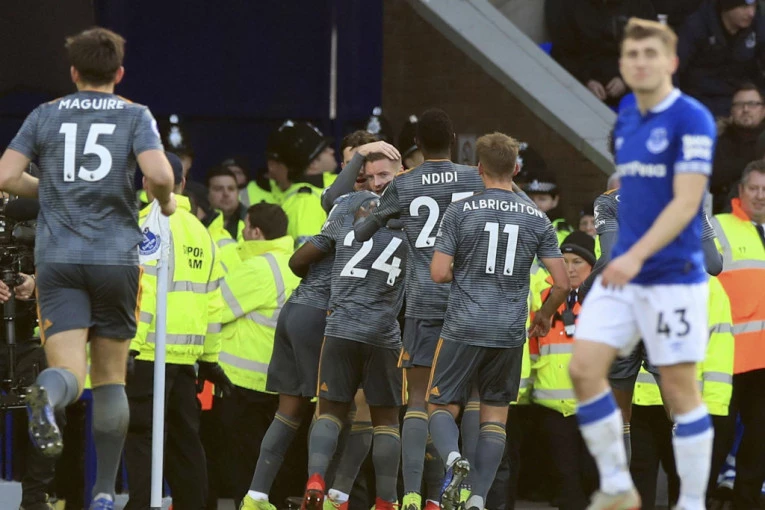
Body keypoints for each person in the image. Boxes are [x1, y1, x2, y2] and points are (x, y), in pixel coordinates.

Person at [0, 27, 176, 510]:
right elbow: (159, 174)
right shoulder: (135, 114)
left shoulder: (45, 114)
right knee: (111, 378)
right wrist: (165, 201)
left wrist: (53, 190)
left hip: (57, 260)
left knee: (68, 372)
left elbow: (6, 176)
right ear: (119, 72)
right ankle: (102, 492)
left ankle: (46, 393)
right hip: (114, 259)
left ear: (73, 71)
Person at [568, 18, 717, 510]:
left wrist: (631, 254)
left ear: (671, 62)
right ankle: (618, 485)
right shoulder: (628, 116)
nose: (639, 62)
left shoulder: (693, 118)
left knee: (679, 390)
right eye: (631, 55)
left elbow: (687, 202)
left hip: (672, 280)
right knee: (583, 369)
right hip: (627, 282)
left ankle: (691, 500)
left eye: (650, 53)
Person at [237, 139, 399, 510]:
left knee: (289, 411)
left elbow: (301, 260)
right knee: (342, 410)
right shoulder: (384, 210)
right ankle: (331, 494)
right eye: (361, 174)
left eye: (376, 175)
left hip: (296, 308)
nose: (369, 182)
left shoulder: (340, 204)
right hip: (330, 315)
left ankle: (256, 496)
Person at [427, 132, 569, 510]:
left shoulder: (460, 211)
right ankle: (478, 498)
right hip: (508, 331)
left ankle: (453, 459)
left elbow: (438, 273)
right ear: (516, 169)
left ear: (479, 168)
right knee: (494, 417)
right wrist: (543, 315)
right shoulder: (538, 218)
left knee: (441, 406)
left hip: (463, 324)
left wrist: (464, 271)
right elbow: (562, 283)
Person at [354, 108, 486, 510]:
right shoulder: (474, 178)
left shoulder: (405, 183)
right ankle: (469, 490)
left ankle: (410, 493)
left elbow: (365, 231)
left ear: (417, 144)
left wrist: (394, 221)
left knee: (417, 400)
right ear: (454, 139)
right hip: (468, 303)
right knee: (473, 397)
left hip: (424, 304)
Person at [124, 152, 230, 510]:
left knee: (141, 438)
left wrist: (130, 347)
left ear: (145, 183)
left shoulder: (146, 226)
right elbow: (213, 302)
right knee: (185, 443)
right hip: (186, 359)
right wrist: (210, 359)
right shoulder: (202, 233)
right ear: (183, 183)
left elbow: (145, 293)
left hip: (148, 354)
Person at [298, 188, 408, 510]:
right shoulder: (409, 238)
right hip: (383, 335)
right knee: (386, 423)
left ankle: (316, 479)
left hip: (339, 331)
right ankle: (386, 500)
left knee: (330, 413)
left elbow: (300, 258)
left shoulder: (343, 227)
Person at [216, 203, 301, 508]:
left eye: (245, 227)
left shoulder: (258, 268)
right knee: (279, 462)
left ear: (256, 232)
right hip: (286, 384)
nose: (241, 233)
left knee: (244, 465)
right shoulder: (296, 264)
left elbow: (215, 309)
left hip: (245, 384)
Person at [529, 231, 599, 510]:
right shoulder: (543, 298)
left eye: (577, 262)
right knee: (567, 487)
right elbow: (533, 349)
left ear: (592, 266)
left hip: (594, 408)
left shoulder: (604, 301)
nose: (569, 268)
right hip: (554, 409)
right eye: (564, 261)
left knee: (593, 479)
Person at [711, 159, 765, 508]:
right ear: (741, 190)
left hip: (763, 359)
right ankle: (702, 497)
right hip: (727, 355)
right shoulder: (718, 227)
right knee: (719, 436)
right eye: (754, 188)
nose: (760, 195)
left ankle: (746, 501)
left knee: (759, 440)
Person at [677, 0, 765, 117]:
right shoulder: (697, 25)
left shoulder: (757, 24)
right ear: (727, 7)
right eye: (744, 7)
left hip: (743, 99)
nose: (751, 13)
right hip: (701, 101)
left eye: (754, 6)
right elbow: (674, 68)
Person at [711, 83, 765, 213]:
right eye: (739, 105)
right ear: (731, 111)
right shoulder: (716, 141)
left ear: (763, 110)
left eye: (752, 104)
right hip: (721, 212)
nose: (745, 109)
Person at [205, 165, 246, 245]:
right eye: (218, 189)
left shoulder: (252, 221)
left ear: (238, 192)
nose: (226, 194)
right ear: (207, 194)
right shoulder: (196, 221)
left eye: (231, 189)